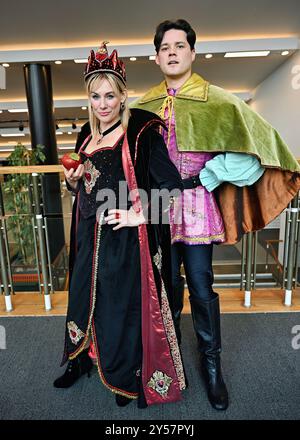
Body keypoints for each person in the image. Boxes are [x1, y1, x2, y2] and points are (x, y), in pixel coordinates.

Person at [132, 19, 300, 411]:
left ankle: (212, 366)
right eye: (165, 47)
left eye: (179, 45)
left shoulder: (218, 99)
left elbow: (253, 150)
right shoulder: (142, 106)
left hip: (194, 206)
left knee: (202, 289)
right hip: (158, 208)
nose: (172, 52)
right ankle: (168, 362)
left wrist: (210, 174)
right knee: (165, 287)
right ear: (157, 57)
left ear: (192, 52)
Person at [53, 42, 186, 409]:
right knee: (81, 300)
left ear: (123, 94)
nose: (103, 104)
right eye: (96, 96)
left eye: (110, 95)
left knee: (116, 310)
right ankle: (80, 360)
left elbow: (174, 188)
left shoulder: (141, 131)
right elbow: (82, 183)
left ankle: (122, 378)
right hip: (85, 237)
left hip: (122, 243)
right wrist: (74, 179)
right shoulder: (85, 133)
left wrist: (137, 215)